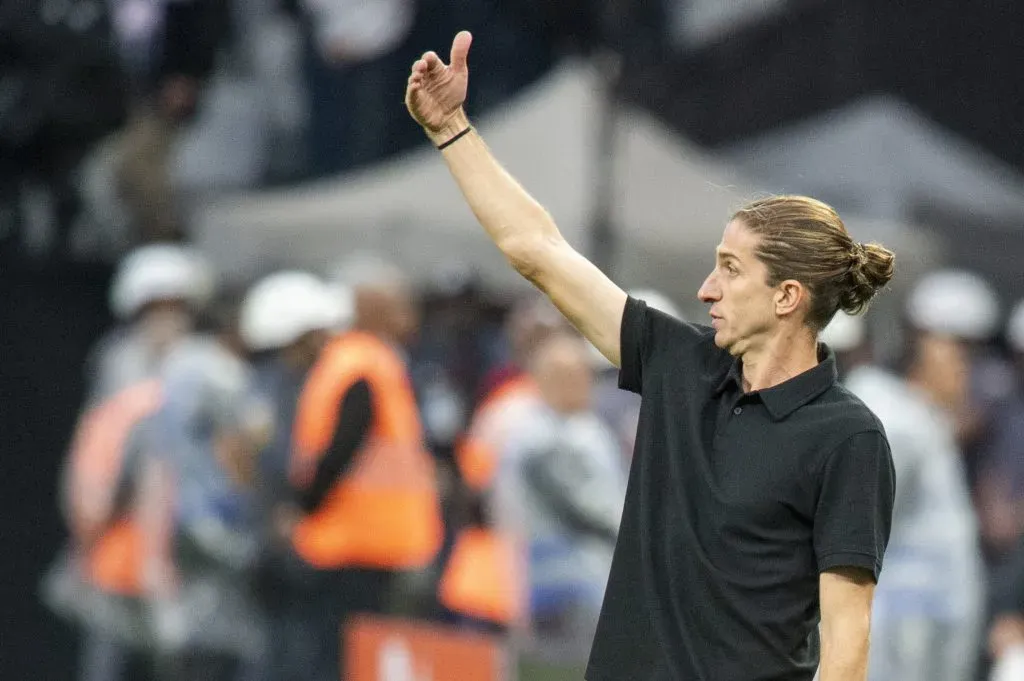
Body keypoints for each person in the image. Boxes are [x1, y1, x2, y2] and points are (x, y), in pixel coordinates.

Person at [405, 32, 897, 681]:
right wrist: (451, 130)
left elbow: (848, 637)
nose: (706, 288)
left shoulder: (849, 437)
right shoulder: (680, 361)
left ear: (786, 296)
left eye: (729, 269)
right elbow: (538, 251)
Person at [271, 259, 444, 681]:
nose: (410, 317)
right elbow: (340, 450)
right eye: (400, 306)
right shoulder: (364, 366)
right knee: (338, 661)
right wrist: (304, 507)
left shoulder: (359, 363)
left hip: (362, 542)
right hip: (353, 544)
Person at [822, 312, 984, 681]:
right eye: (954, 361)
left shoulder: (906, 411)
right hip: (909, 604)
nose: (964, 373)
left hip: (926, 602)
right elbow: (866, 515)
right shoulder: (889, 411)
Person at [497, 331, 626, 669]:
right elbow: (590, 510)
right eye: (566, 376)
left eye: (582, 374)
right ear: (542, 379)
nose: (580, 384)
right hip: (565, 580)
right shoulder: (543, 437)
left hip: (588, 578)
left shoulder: (581, 427)